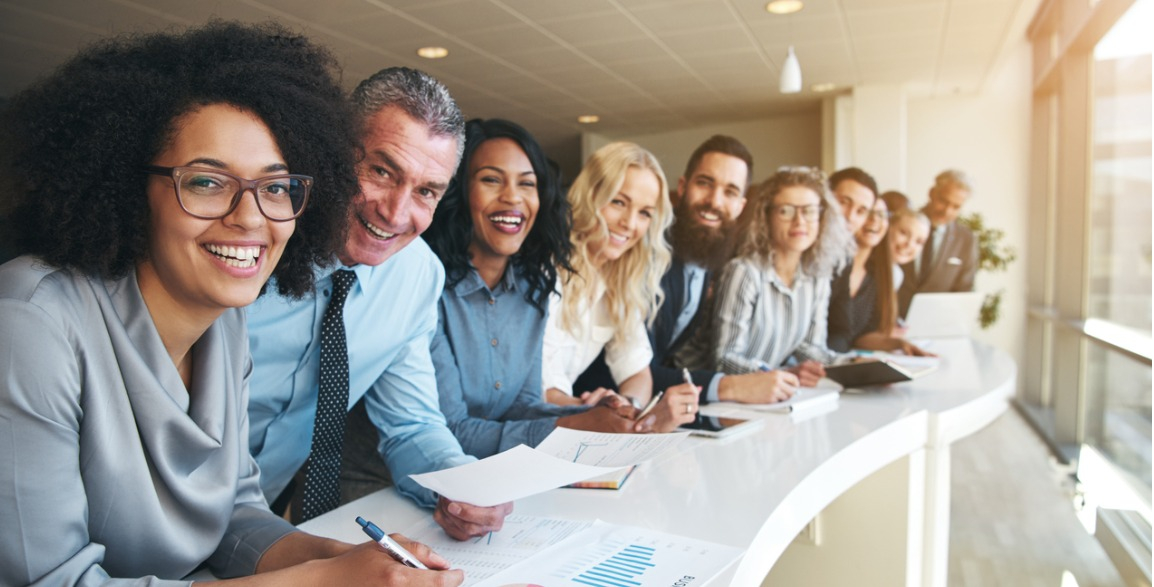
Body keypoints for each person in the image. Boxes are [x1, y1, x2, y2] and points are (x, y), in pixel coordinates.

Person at [0, 22, 461, 586]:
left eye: (274, 187)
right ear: (126, 184)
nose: (249, 218)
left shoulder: (223, 321)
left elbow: (234, 515)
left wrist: (340, 558)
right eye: (205, 182)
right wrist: (320, 582)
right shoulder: (27, 321)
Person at [245, 67, 510, 540]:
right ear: (334, 151)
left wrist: (459, 484)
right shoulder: (250, 242)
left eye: (426, 191)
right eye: (382, 171)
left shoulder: (416, 275)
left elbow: (411, 425)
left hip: (253, 526)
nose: (395, 213)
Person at [423, 119, 643, 459]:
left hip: (485, 478)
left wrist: (602, 415)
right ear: (460, 190)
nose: (512, 197)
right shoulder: (430, 289)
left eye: (527, 184)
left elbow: (522, 405)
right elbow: (450, 430)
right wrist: (572, 427)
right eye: (491, 180)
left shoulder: (533, 289)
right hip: (393, 486)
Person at [576, 135, 800, 404]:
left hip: (633, 406)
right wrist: (730, 387)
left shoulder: (708, 258)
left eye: (729, 192)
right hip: (585, 402)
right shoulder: (638, 253)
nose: (714, 201)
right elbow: (631, 368)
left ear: (741, 206)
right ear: (682, 187)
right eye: (705, 184)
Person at [542, 142, 698, 429]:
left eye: (644, 212)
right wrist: (598, 409)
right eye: (619, 202)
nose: (629, 223)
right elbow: (538, 392)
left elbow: (638, 374)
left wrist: (630, 405)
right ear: (591, 195)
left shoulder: (618, 281)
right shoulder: (544, 270)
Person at [677, 167, 854, 384]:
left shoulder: (818, 276)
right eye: (786, 211)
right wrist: (780, 374)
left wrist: (851, 364)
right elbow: (724, 359)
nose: (799, 221)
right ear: (766, 216)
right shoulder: (743, 272)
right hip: (705, 396)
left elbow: (810, 348)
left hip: (767, 395)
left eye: (809, 211)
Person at [830, 198, 933, 356]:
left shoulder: (886, 276)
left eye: (919, 242)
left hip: (844, 359)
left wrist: (899, 343)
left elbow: (861, 334)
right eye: (904, 233)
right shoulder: (839, 264)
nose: (909, 244)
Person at [898, 169, 979, 315]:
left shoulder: (966, 239)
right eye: (943, 201)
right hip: (889, 322)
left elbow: (964, 291)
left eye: (956, 207)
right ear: (931, 193)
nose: (947, 211)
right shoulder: (900, 224)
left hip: (936, 325)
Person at [826, 167, 881, 355]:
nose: (850, 216)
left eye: (861, 211)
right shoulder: (794, 248)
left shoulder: (844, 258)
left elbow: (841, 331)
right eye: (843, 202)